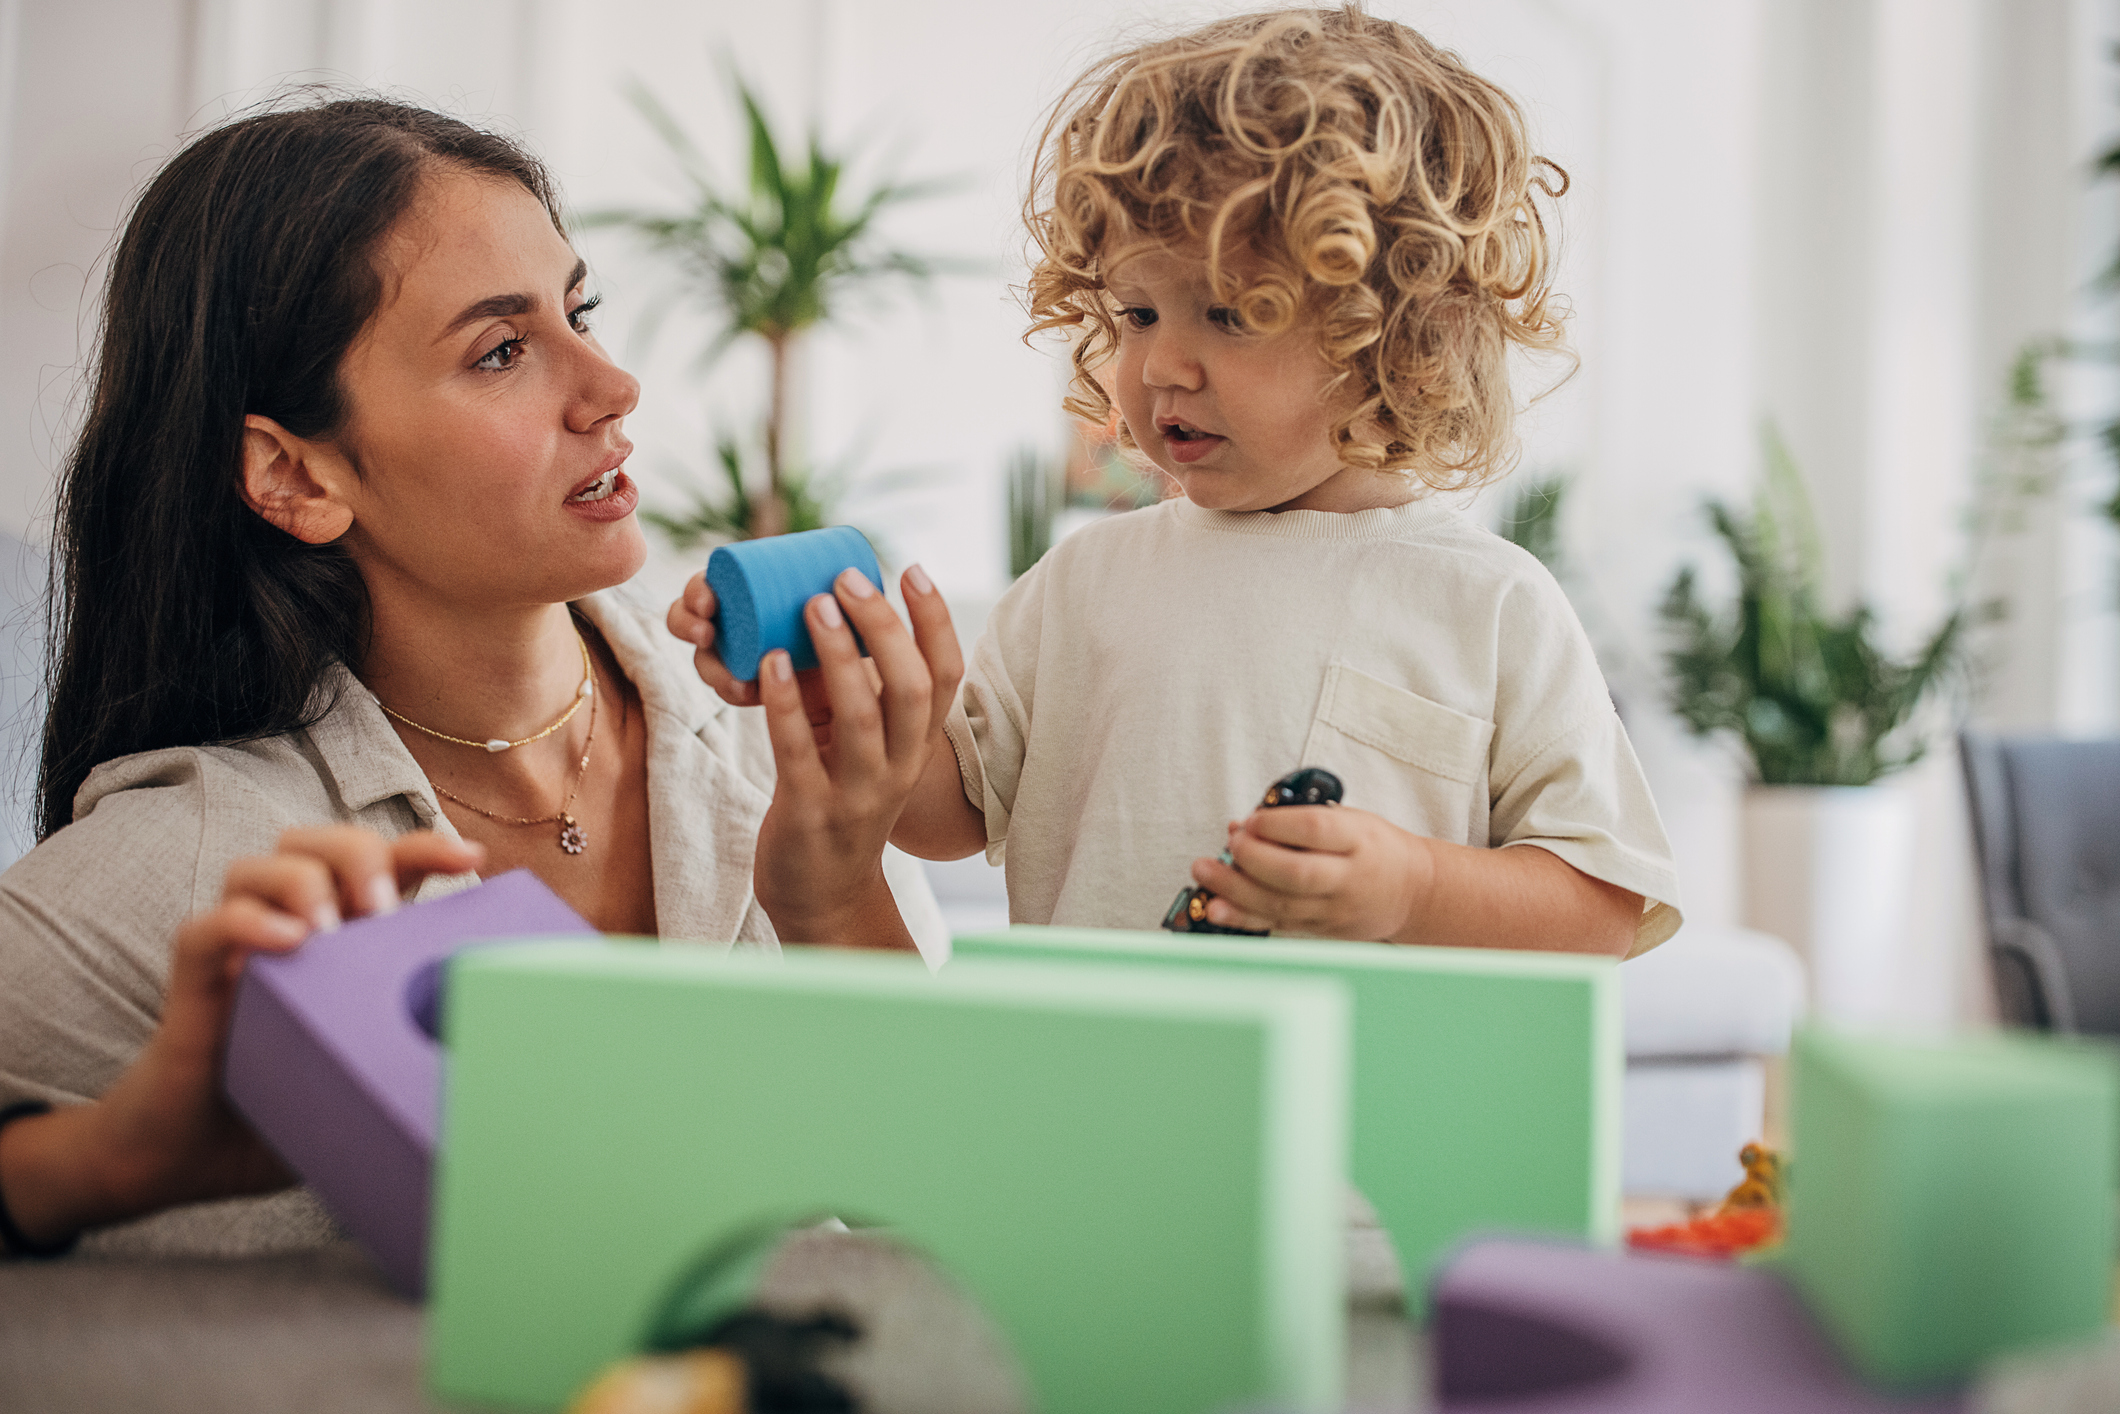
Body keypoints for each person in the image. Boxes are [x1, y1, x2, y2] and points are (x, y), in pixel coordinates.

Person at [0, 98, 960, 1257]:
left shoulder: (780, 748)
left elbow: (954, 1220)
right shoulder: (199, 864)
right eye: (501, 351)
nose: (611, 386)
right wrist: (109, 1162)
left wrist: (837, 899)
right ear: (292, 476)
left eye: (579, 309)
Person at [679, 8, 1680, 956]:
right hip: (1099, 1101)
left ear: (1397, 341)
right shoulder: (1083, 583)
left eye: (1230, 316)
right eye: (1136, 314)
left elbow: (1599, 907)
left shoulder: (1490, 604)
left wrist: (1413, 886)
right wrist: (845, 700)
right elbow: (949, 815)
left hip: (1364, 1123)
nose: (1159, 367)